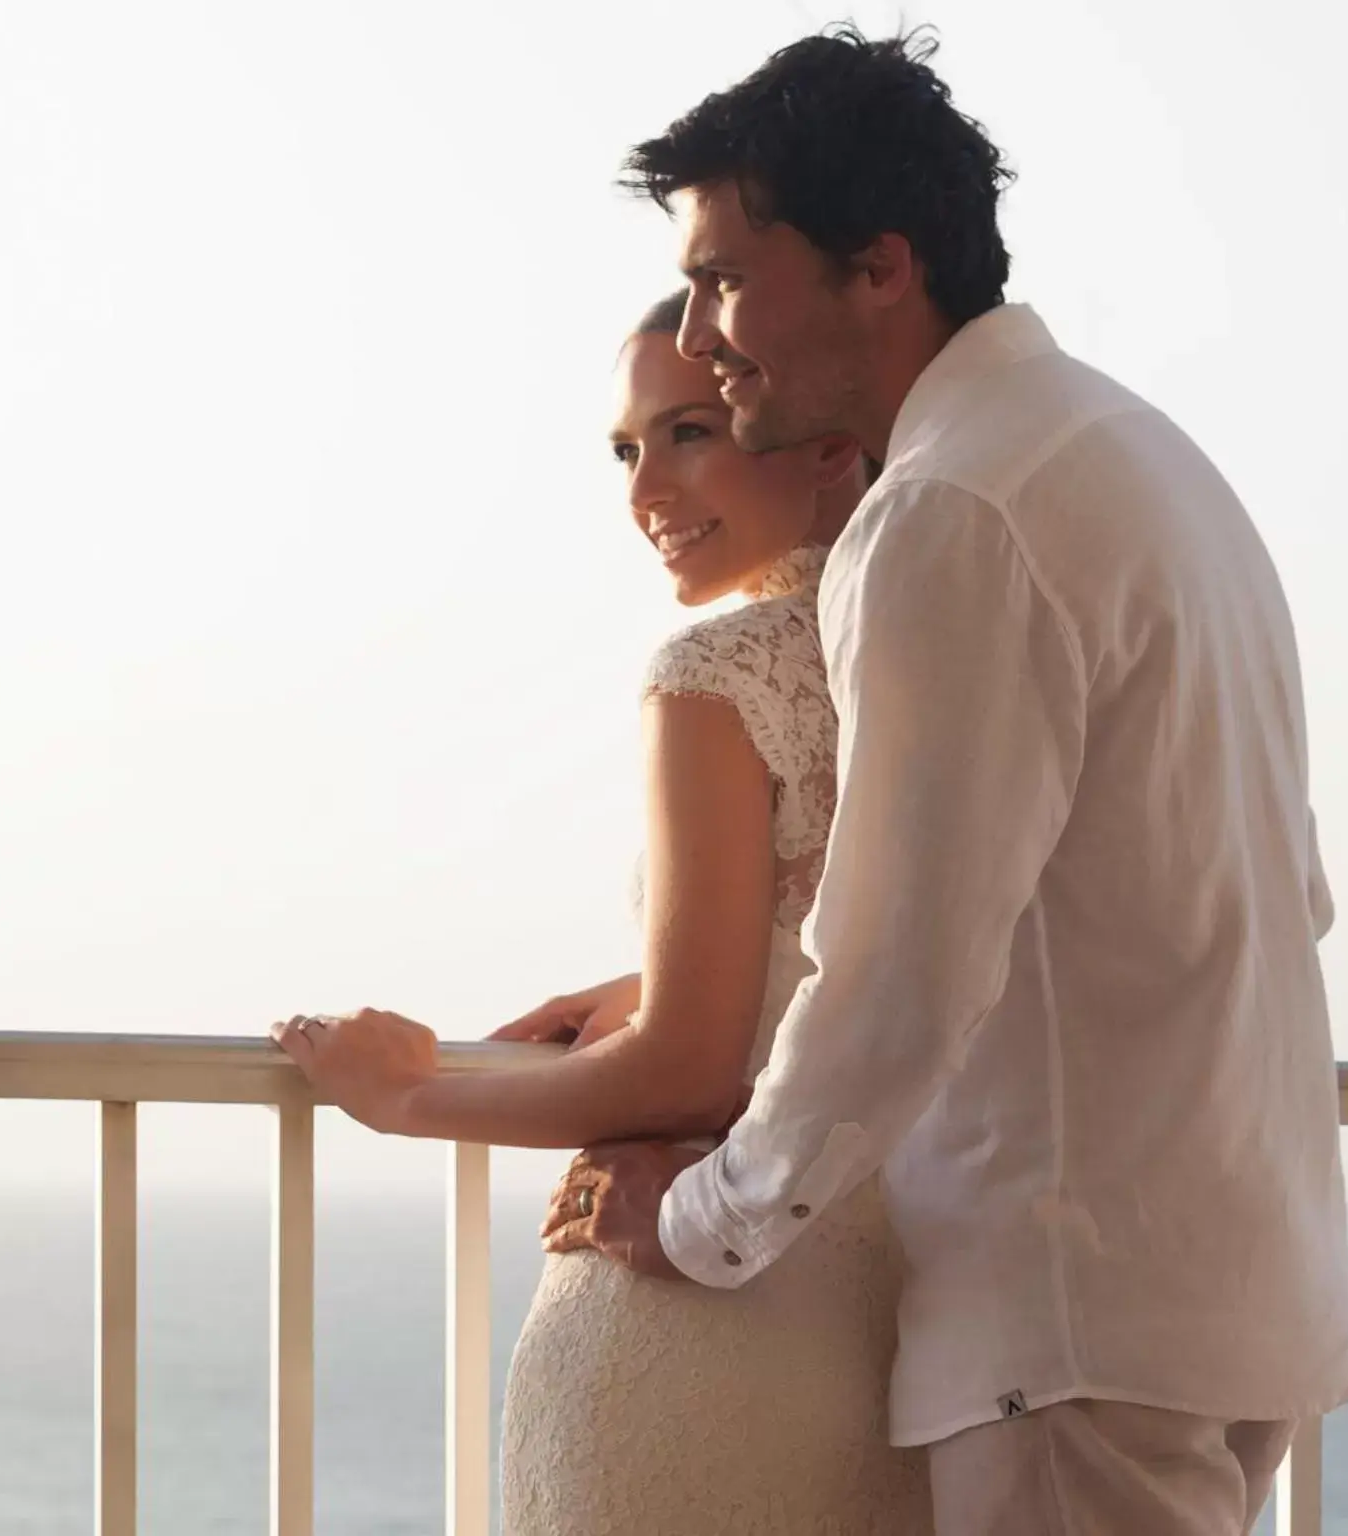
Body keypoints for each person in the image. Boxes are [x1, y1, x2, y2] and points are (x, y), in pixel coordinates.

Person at [542, 26, 1348, 1535]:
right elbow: (1278, 888)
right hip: (1239, 1289)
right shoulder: (1143, 454)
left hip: (1076, 1326)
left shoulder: (944, 515)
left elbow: (901, 977)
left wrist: (705, 1223)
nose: (707, 332)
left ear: (879, 264)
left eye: (730, 275)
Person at [267, 290, 932, 1533]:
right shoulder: (949, 646)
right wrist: (665, 977)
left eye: (689, 430)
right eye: (626, 450)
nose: (644, 489)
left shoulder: (715, 673)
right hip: (915, 1320)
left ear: (823, 430)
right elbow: (898, 947)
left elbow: (681, 1074)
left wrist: (406, 1096)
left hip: (701, 1320)